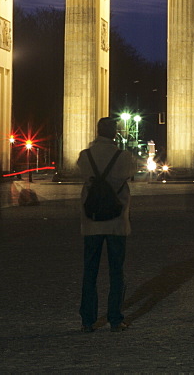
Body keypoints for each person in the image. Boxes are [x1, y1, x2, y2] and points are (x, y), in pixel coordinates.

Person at [77, 116, 135, 333]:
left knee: (89, 270)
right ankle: (115, 318)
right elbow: (129, 174)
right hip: (116, 221)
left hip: (91, 221)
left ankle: (87, 320)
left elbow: (80, 173)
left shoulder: (85, 156)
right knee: (116, 271)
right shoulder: (124, 156)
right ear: (114, 133)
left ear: (97, 131)